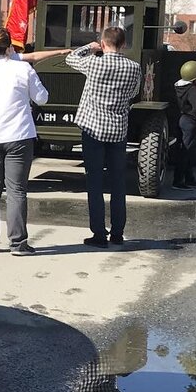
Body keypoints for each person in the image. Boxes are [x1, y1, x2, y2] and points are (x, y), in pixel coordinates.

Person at [0, 27, 49, 255]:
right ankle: (18, 242)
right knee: (16, 190)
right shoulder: (22, 68)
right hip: (19, 134)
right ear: (10, 47)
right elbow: (42, 98)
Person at [66, 25, 141, 247]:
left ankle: (99, 234)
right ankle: (118, 233)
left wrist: (89, 47)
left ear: (103, 43)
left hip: (93, 129)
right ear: (123, 44)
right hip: (117, 130)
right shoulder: (134, 67)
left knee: (95, 181)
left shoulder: (94, 63)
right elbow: (134, 92)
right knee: (118, 183)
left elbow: (71, 58)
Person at [172, 60, 196, 190]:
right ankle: (178, 181)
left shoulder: (180, 87)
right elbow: (195, 107)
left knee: (185, 151)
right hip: (190, 121)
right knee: (186, 152)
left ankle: (189, 178)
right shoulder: (192, 90)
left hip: (182, 119)